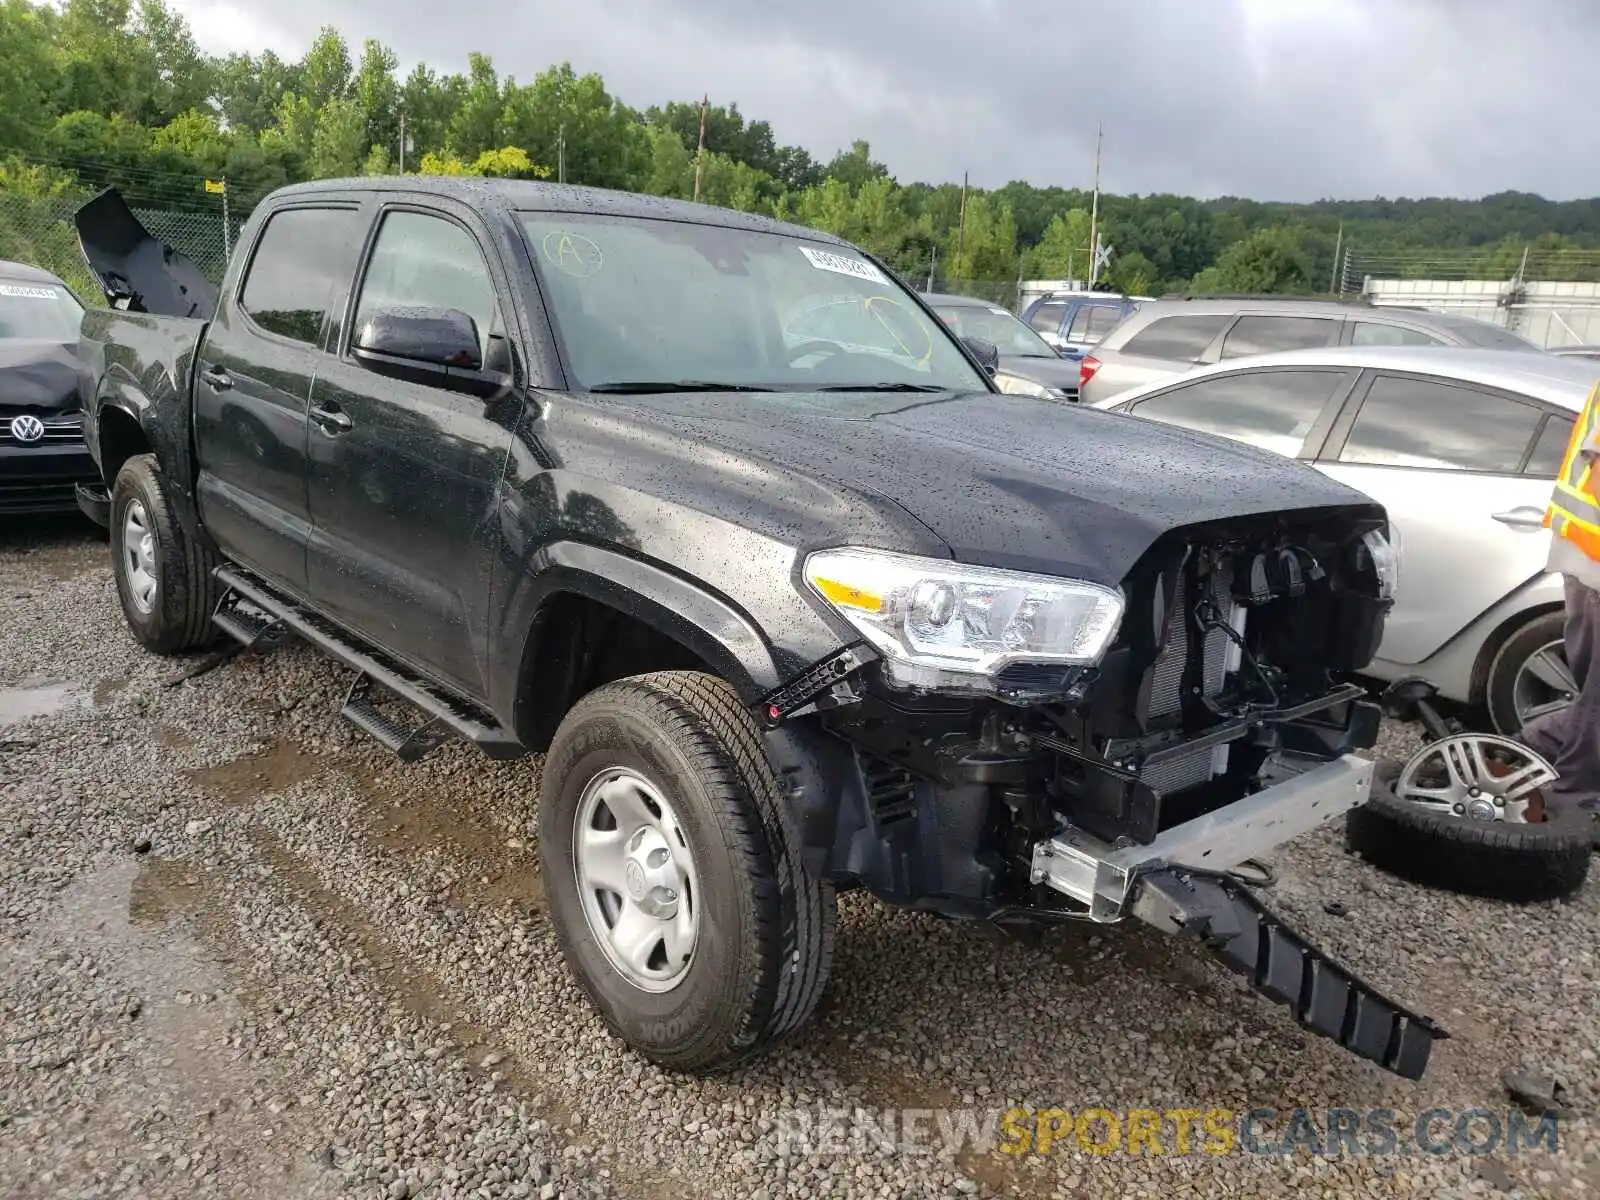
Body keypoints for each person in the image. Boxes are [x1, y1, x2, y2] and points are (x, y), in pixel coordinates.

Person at [1518, 379, 1600, 817]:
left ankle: (1528, 748)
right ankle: (1572, 805)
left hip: (1587, 556)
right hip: (1595, 559)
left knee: (1593, 697)